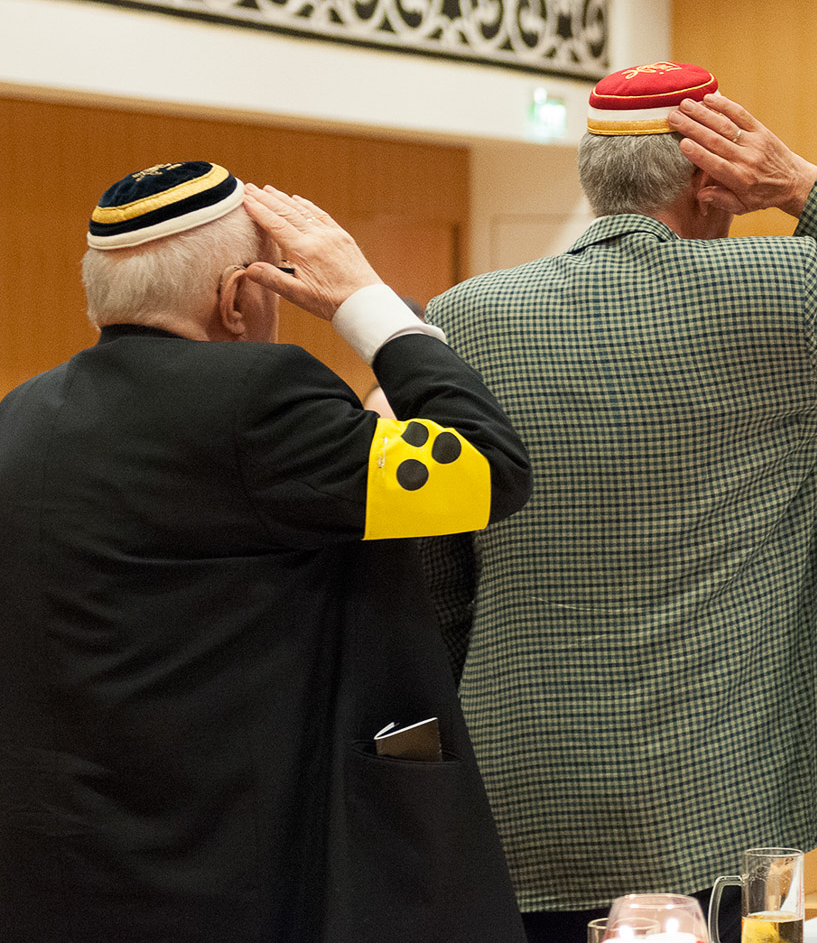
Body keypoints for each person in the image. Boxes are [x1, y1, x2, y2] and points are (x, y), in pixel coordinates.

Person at [421, 63, 817, 935]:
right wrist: (800, 185)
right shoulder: (772, 294)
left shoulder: (462, 317)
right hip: (713, 787)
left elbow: (439, 576)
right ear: (711, 181)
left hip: (520, 766)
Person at [0, 166, 533, 941]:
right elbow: (486, 468)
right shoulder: (256, 398)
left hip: (61, 872)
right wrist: (365, 303)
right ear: (235, 298)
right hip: (234, 872)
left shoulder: (21, 414)